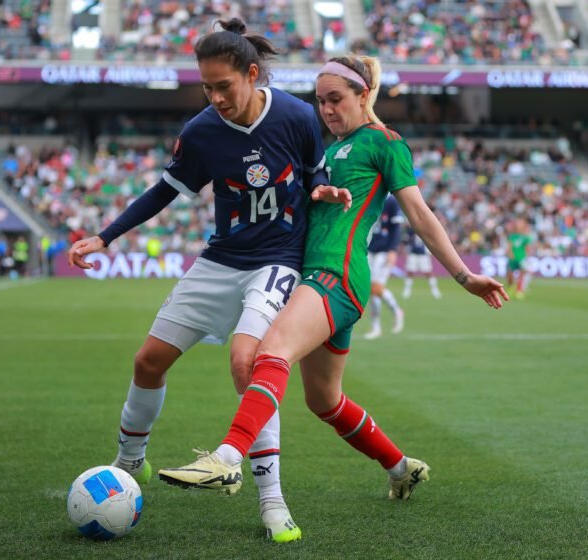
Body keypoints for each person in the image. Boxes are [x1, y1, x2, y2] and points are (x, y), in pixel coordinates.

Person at [158, 55, 508, 522]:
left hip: (337, 277)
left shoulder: (385, 143)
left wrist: (464, 276)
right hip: (310, 277)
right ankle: (401, 467)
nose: (325, 109)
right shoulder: (324, 148)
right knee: (323, 399)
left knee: (272, 350)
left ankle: (226, 459)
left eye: (336, 99)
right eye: (320, 100)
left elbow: (420, 216)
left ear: (364, 95)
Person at [67, 18, 348, 544]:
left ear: (252, 73)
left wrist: (325, 191)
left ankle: (272, 501)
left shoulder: (294, 114)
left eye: (224, 86)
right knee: (147, 361)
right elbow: (162, 192)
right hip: (221, 260)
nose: (215, 97)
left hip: (277, 262)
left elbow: (317, 172)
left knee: (248, 363)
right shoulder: (200, 132)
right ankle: (131, 462)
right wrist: (105, 237)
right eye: (206, 87)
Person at [364, 194, 405, 339]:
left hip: (384, 251)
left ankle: (378, 325)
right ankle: (395, 312)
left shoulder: (391, 201)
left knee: (375, 288)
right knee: (371, 288)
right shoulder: (371, 197)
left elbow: (396, 229)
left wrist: (393, 250)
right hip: (369, 249)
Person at [402, 226, 442, 299]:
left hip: (423, 254)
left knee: (428, 272)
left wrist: (429, 250)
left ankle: (434, 290)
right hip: (413, 254)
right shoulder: (411, 230)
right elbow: (405, 241)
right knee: (410, 272)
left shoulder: (425, 228)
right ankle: (407, 290)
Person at [506, 218, 532, 299]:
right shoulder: (512, 236)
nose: (518, 226)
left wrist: (526, 257)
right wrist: (510, 254)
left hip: (521, 258)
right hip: (513, 258)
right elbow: (509, 246)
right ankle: (510, 288)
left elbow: (527, 248)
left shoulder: (525, 237)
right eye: (517, 224)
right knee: (509, 274)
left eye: (520, 224)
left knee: (522, 274)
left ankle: (519, 291)